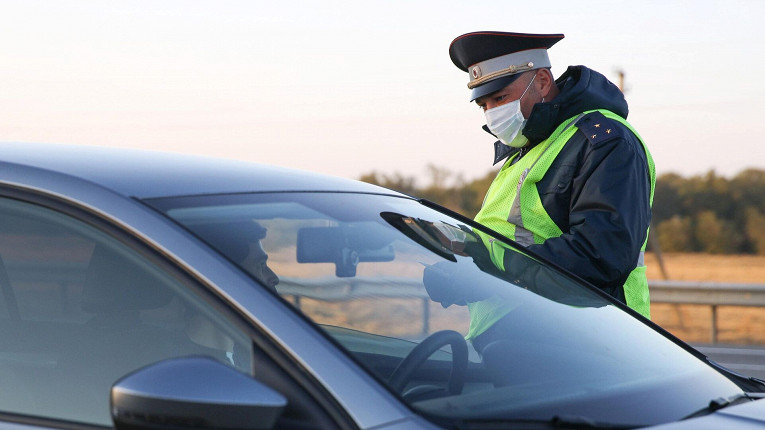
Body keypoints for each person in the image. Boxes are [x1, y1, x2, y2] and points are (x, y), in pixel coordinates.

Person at [438, 31, 655, 349]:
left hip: (589, 345)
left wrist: (490, 271)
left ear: (541, 81)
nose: (491, 113)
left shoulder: (604, 141)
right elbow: (504, 238)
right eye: (483, 104)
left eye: (499, 98)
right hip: (524, 340)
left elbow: (600, 258)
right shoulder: (527, 148)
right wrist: (458, 261)